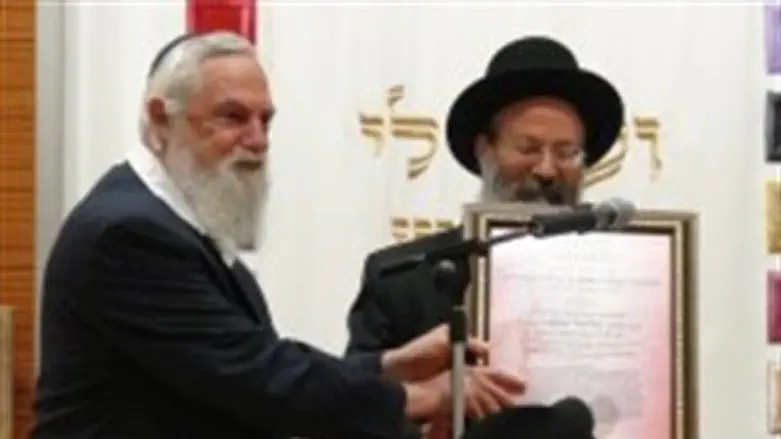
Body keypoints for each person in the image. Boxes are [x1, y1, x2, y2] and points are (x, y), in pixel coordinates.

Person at [32, 31, 525, 439]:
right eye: (232, 117)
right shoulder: (128, 233)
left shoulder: (179, 222)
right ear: (161, 118)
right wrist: (419, 397)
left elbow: (256, 362)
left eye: (265, 120)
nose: (257, 140)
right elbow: (253, 379)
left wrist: (390, 365)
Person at [345, 36, 625, 438]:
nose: (547, 170)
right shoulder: (401, 280)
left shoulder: (625, 278)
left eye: (566, 153)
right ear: (484, 150)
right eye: (528, 148)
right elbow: (348, 407)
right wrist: (429, 405)